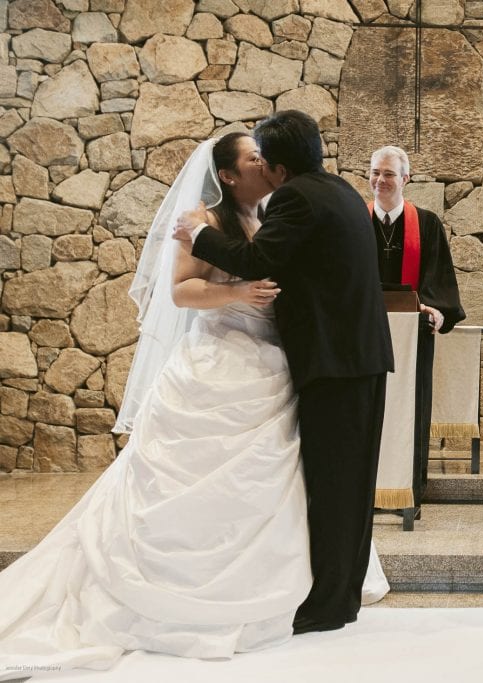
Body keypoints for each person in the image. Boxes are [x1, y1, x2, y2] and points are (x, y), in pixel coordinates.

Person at [0, 134, 387, 678]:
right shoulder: (199, 218)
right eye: (252, 160)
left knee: (281, 478)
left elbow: (269, 263)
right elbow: (180, 290)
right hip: (220, 362)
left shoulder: (273, 215)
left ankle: (276, 587)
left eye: (263, 157)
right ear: (229, 175)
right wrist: (235, 295)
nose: (263, 166)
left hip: (274, 366)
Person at [174, 111, 394, 635]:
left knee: (335, 485)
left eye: (261, 159)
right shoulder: (339, 190)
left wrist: (200, 236)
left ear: (276, 167)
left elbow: (256, 261)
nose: (259, 168)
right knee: (349, 486)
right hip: (354, 358)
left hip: (334, 362)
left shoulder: (294, 198)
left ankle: (329, 605)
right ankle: (338, 597)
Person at [368, 145, 465, 509]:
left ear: (405, 179)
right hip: (367, 337)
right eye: (375, 172)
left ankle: (409, 488)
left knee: (410, 410)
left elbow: (439, 281)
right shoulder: (356, 222)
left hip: (413, 337)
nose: (380, 180)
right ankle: (368, 488)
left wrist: (436, 310)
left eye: (389, 174)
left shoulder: (426, 224)